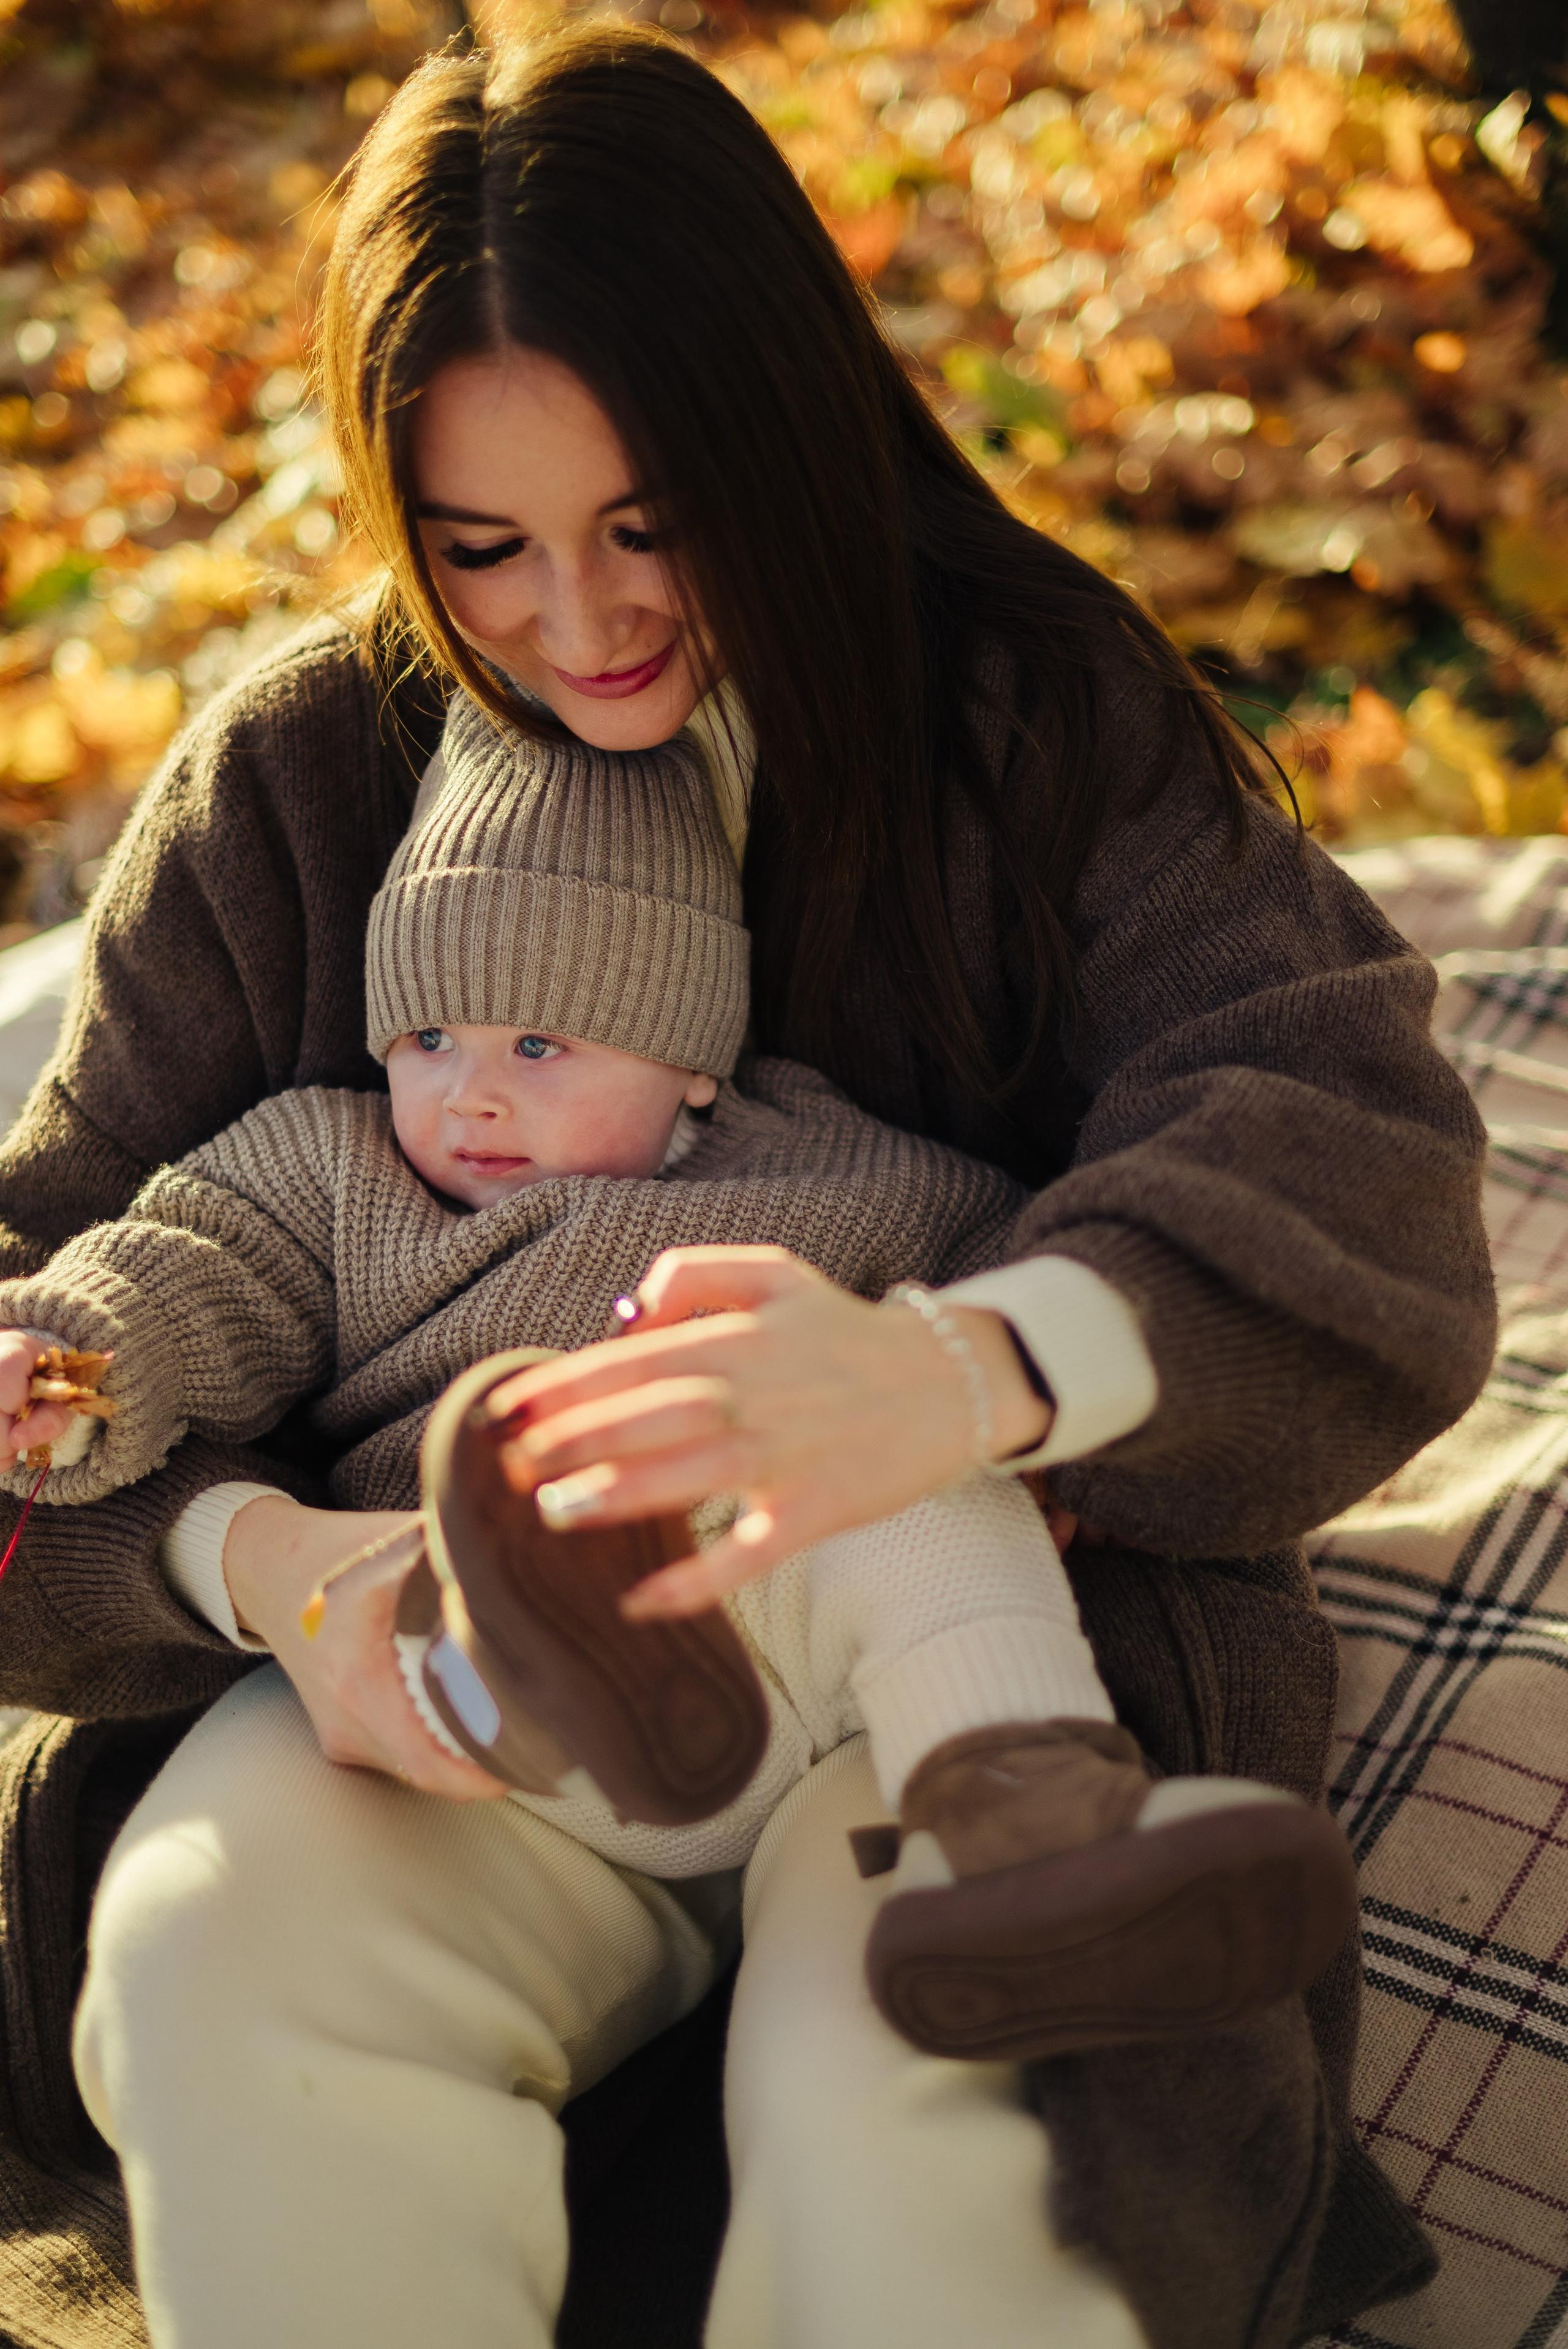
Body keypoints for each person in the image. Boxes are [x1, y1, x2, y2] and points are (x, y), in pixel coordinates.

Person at [0, 25, 1491, 2349]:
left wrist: (957, 1373)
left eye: (653, 523)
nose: (583, 624)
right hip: (449, 1666)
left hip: (951, 1636)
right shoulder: (302, 778)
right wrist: (257, 1560)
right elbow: (59, 1276)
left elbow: (1347, 1133)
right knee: (213, 1956)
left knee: (934, 2086)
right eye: (483, 550)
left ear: (787, 446)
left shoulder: (1029, 718)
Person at [0, 682, 1353, 2130]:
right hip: (538, 1707)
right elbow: (194, 1267)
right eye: (431, 1039)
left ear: (692, 1057)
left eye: (541, 1049)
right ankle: (536, 1664)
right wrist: (76, 1370)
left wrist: (1019, 1420)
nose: (472, 1098)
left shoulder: (826, 1166)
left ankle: (1035, 1830)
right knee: (482, 1501)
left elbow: (1007, 1258)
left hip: (815, 1661)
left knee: (925, 1494)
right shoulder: (327, 1174)